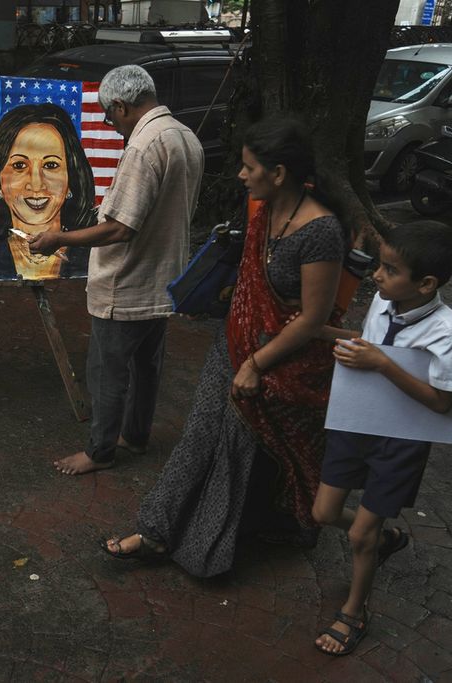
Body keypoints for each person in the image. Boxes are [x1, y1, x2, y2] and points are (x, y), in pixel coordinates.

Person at [98, 116, 347, 577]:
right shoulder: (264, 209)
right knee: (199, 435)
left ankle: (216, 541)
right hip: (233, 343)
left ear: (278, 174)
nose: (240, 174)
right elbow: (250, 282)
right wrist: (214, 300)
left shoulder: (322, 232)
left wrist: (256, 364)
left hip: (280, 357)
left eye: (249, 167)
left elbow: (313, 318)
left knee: (236, 445)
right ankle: (154, 530)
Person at [28, 64, 204, 474]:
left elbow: (120, 227)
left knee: (107, 373)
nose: (112, 125)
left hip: (126, 283)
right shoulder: (185, 137)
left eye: (111, 116)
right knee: (146, 367)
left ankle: (99, 451)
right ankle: (135, 436)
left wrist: (60, 239)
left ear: (122, 106)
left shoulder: (144, 146)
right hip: (163, 280)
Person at [312, 221, 452, 656]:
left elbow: (442, 403)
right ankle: (382, 540)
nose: (377, 277)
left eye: (389, 269)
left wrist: (382, 364)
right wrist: (325, 333)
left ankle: (355, 611)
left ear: (424, 284)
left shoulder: (449, 333)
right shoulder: (385, 304)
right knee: (325, 512)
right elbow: (369, 344)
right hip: (356, 422)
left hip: (400, 440)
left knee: (360, 534)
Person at [0, 103, 96, 280]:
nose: (36, 184)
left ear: (71, 179)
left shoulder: (95, 258)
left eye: (51, 165)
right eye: (19, 166)